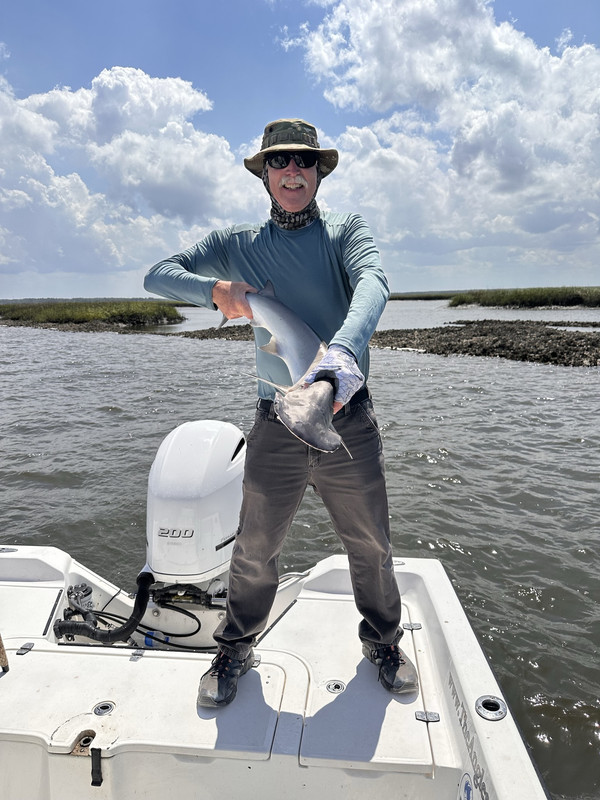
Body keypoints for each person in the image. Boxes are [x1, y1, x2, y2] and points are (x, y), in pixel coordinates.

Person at [144, 118, 418, 707]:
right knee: (254, 548)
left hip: (345, 415)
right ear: (263, 173)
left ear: (320, 171)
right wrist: (214, 291)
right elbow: (156, 275)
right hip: (276, 423)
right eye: (280, 162)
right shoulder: (239, 243)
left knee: (371, 543)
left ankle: (384, 639)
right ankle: (237, 645)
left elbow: (374, 280)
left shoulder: (344, 231)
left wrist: (343, 350)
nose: (292, 172)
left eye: (304, 162)